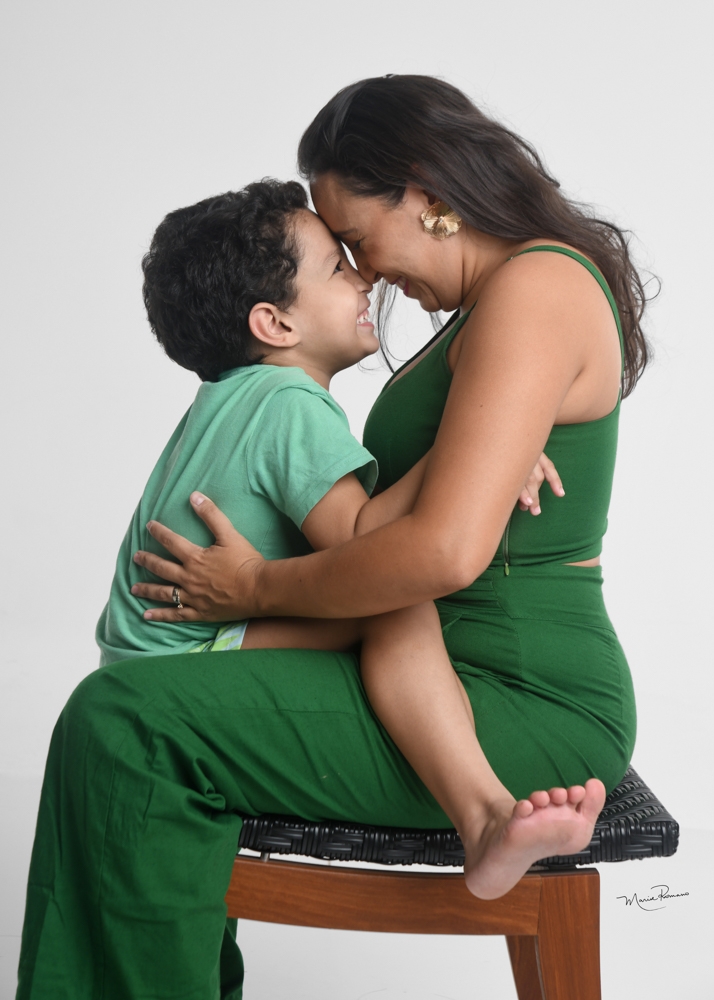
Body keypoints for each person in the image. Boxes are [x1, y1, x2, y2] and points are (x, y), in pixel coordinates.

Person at [17, 75, 643, 1000]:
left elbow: (440, 553)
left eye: (357, 237)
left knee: (124, 722)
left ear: (424, 197)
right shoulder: (491, 306)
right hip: (432, 671)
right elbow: (406, 532)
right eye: (341, 255)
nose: (368, 272)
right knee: (119, 717)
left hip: (518, 696)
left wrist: (254, 590)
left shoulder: (536, 284)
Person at [98, 176, 582, 901]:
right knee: (395, 599)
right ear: (275, 324)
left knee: (384, 592)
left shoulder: (232, 399)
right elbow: (363, 541)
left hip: (145, 652)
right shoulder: (288, 403)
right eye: (336, 266)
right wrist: (488, 448)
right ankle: (482, 814)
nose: (365, 279)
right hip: (190, 655)